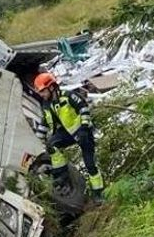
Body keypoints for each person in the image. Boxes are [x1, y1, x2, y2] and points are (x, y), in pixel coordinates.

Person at [34, 72, 105, 202]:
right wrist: (37, 141)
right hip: (68, 134)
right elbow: (44, 124)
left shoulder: (68, 96)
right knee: (51, 144)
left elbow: (83, 108)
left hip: (83, 132)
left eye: (43, 91)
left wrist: (84, 127)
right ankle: (62, 174)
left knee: (90, 164)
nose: (41, 95)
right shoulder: (47, 105)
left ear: (51, 87)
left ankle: (98, 193)